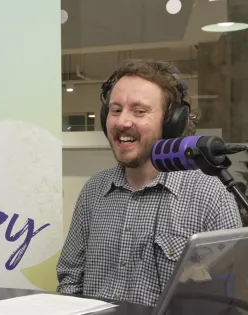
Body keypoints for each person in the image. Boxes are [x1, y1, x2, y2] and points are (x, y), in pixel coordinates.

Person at [56, 59, 242, 307]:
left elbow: (229, 298)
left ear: (171, 122)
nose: (122, 122)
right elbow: (70, 281)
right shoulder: (94, 191)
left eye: (139, 111)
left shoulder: (210, 195)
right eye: (115, 109)